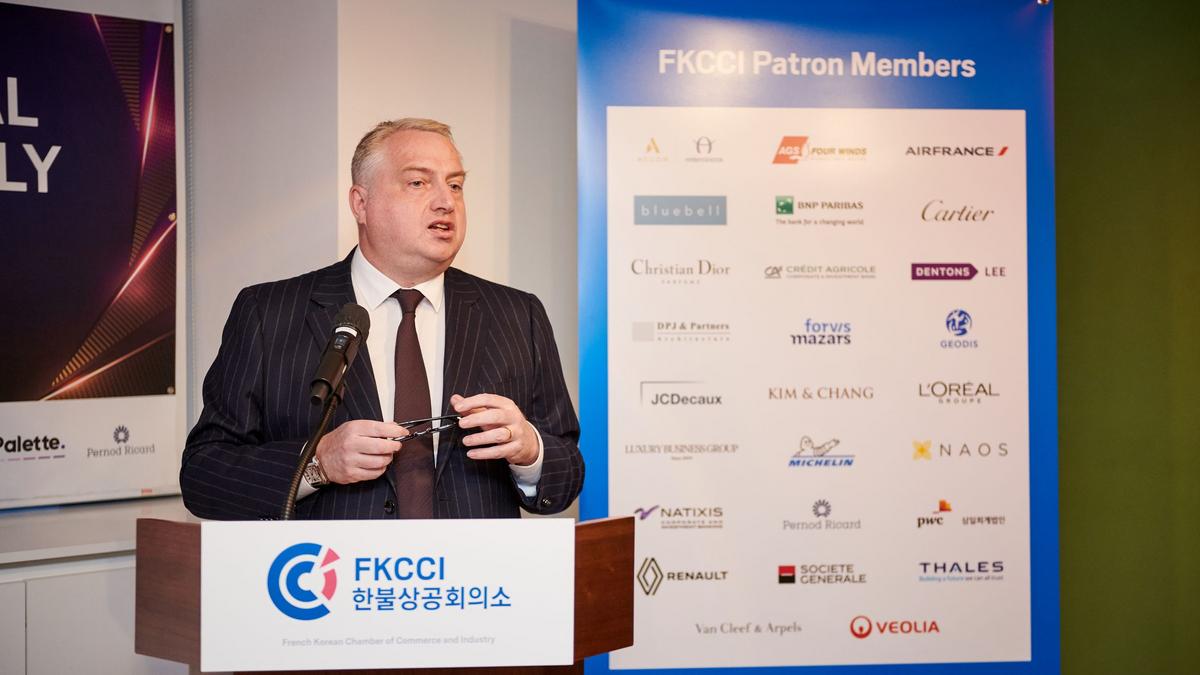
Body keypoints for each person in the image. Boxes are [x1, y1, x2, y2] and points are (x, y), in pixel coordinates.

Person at [180, 118, 584, 519]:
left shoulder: (517, 314)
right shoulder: (268, 314)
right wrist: (317, 464)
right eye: (418, 183)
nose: (446, 202)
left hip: (476, 564)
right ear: (361, 203)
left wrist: (530, 450)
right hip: (331, 562)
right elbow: (204, 476)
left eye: (455, 185)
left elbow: (567, 473)